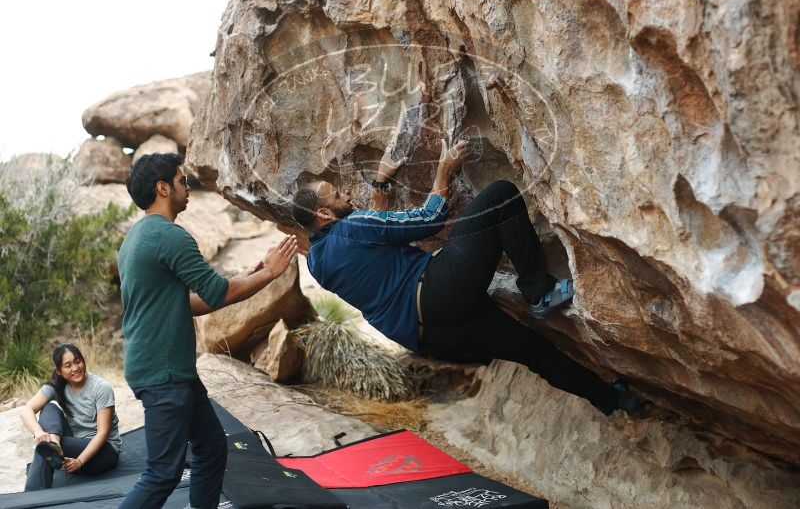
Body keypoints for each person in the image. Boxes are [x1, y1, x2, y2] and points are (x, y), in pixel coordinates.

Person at [292, 140, 638, 415]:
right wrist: (443, 173)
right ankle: (539, 293)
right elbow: (428, 221)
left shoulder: (318, 263)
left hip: (433, 334)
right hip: (439, 291)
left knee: (535, 352)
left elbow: (376, 241)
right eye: (337, 196)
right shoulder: (353, 227)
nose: (346, 195)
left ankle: (613, 400)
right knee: (500, 195)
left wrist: (381, 184)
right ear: (323, 213)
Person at [117, 153, 298, 509]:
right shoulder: (170, 237)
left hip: (166, 370)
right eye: (183, 181)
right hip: (163, 373)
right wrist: (269, 274)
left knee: (211, 448)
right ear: (163, 187)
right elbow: (219, 295)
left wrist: (250, 273)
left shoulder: (136, 237)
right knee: (163, 472)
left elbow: (186, 301)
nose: (188, 189)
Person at [19, 343, 121, 491]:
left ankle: (32, 496)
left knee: (45, 447)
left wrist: (80, 461)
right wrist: (38, 432)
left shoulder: (101, 387)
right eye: (68, 365)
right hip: (74, 444)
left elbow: (103, 433)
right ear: (59, 371)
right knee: (48, 408)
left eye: (78, 361)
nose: (75, 368)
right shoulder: (56, 387)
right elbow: (26, 410)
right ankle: (54, 445)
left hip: (104, 453)